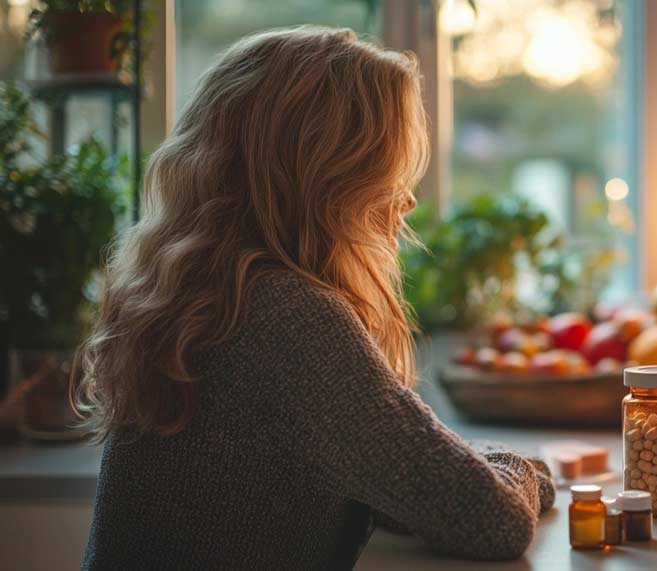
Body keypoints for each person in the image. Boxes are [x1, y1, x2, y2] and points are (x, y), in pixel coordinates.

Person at [74, 26, 554, 570]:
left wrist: (470, 464)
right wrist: (520, 465)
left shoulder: (202, 294)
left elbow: (392, 480)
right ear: (331, 176)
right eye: (387, 168)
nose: (408, 199)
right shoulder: (288, 317)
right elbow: (491, 519)